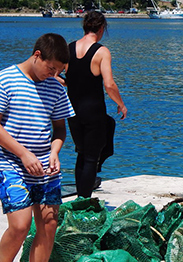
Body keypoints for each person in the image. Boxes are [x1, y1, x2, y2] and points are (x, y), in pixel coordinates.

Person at [0, 33, 75, 262]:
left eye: (59, 70)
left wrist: (55, 153)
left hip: (45, 167)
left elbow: (59, 129)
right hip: (10, 163)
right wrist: (23, 153)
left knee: (48, 225)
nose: (54, 74)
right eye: (51, 68)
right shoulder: (5, 79)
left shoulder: (56, 87)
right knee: (20, 226)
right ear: (37, 55)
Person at [65, 11, 127, 198]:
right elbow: (109, 84)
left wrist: (70, 84)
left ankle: (80, 200)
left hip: (72, 111)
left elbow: (53, 76)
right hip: (93, 111)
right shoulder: (101, 51)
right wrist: (121, 104)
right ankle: (84, 202)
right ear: (101, 29)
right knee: (91, 158)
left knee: (81, 154)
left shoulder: (68, 48)